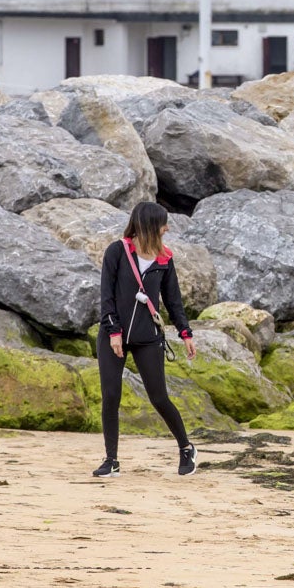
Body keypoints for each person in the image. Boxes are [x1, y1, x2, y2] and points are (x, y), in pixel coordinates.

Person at [94, 201, 198, 478]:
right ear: (151, 225)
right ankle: (111, 459)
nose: (168, 227)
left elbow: (173, 300)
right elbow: (106, 298)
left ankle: (186, 448)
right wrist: (113, 332)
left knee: (159, 397)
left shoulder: (164, 259)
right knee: (111, 396)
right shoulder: (117, 251)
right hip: (111, 336)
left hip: (148, 338)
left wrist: (185, 333)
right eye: (164, 223)